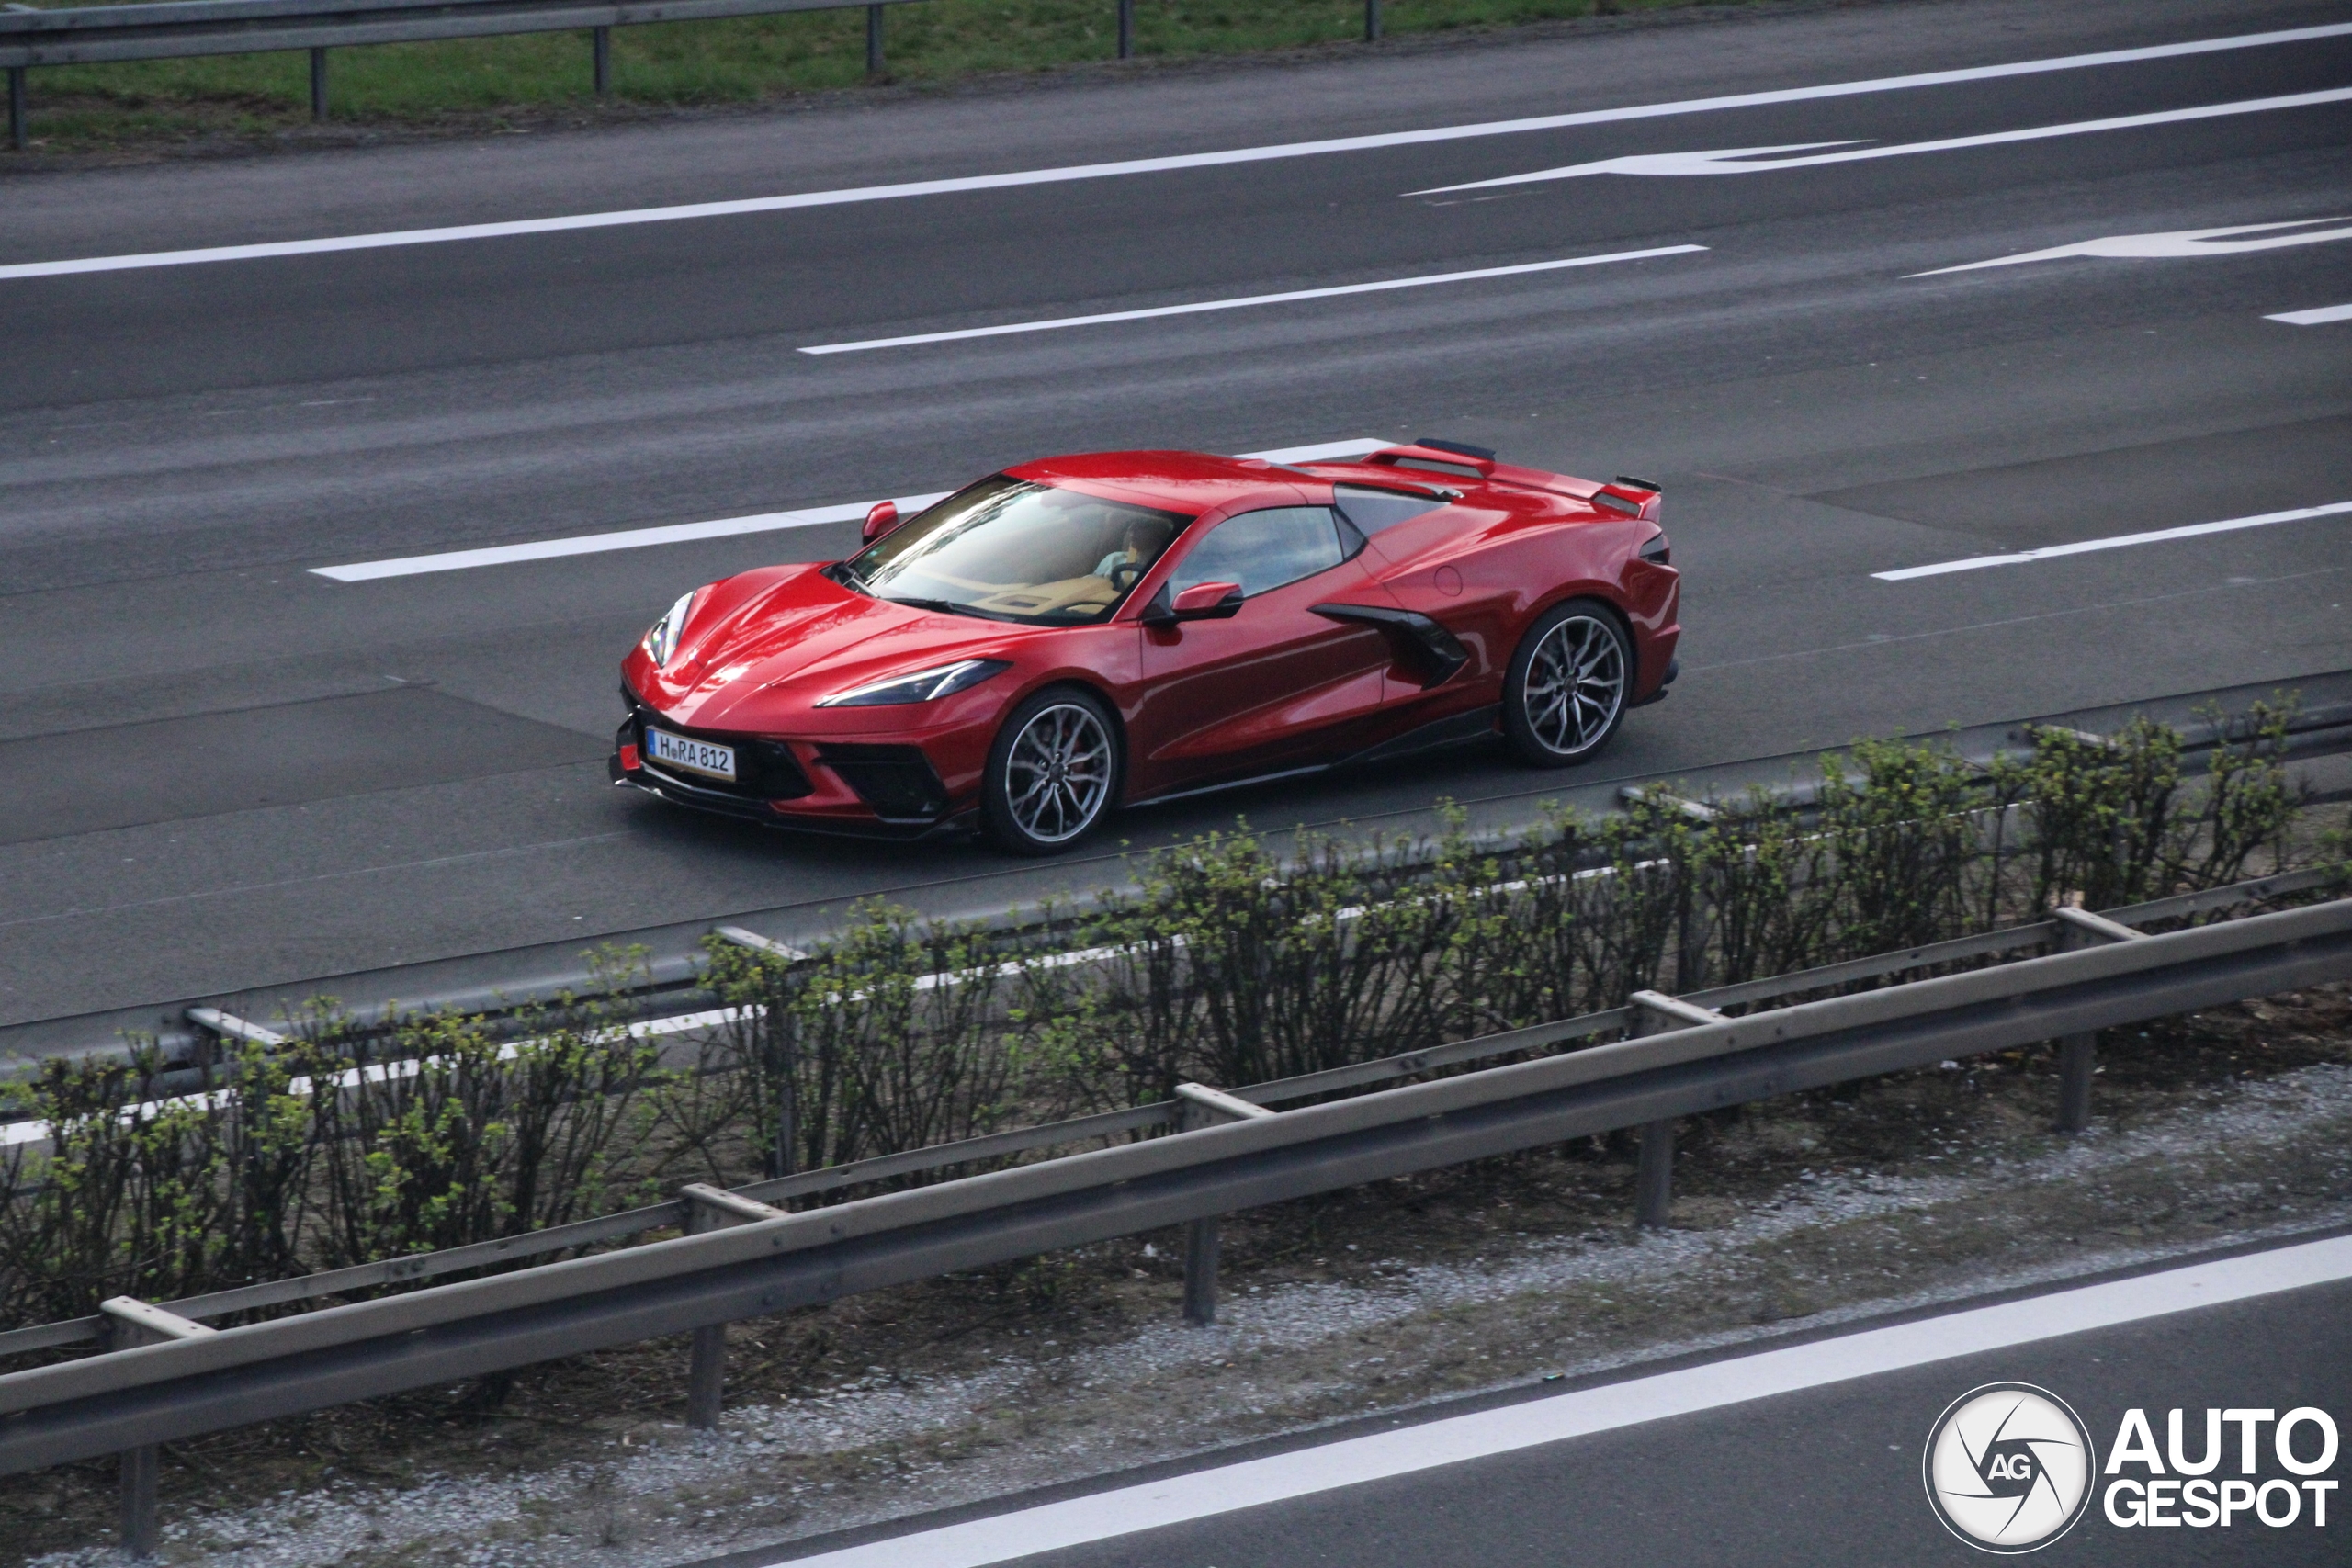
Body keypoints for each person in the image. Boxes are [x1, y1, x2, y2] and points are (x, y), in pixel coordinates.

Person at [1094, 517, 1173, 583]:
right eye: (1131, 523)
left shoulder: (1174, 569)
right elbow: (1089, 589)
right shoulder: (1113, 560)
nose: (1131, 529)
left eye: (1143, 524)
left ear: (1161, 531)